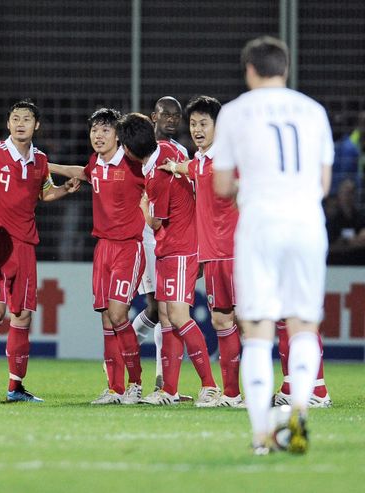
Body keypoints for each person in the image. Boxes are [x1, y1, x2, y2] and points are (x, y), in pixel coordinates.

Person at [213, 36, 334, 454]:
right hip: (306, 222)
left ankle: (263, 432)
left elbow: (223, 184)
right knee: (303, 324)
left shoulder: (234, 113)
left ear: (249, 70)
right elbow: (323, 184)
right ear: (285, 69)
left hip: (261, 224)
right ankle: (298, 411)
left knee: (259, 330)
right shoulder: (314, 111)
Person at [0, 99, 80, 403]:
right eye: (15, 118)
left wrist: (63, 191)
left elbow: (43, 193)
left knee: (23, 315)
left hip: (25, 245)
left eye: (27, 119)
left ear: (36, 125)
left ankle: (15, 387)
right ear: (8, 123)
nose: (20, 123)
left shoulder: (40, 161)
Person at [118, 112, 219, 407]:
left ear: (127, 149)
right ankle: (169, 389)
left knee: (177, 316)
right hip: (171, 248)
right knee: (165, 317)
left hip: (180, 247)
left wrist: (142, 204)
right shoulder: (170, 151)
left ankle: (210, 386)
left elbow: (156, 222)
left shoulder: (155, 178)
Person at [49, 108, 145, 404]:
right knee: (106, 319)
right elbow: (83, 172)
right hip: (102, 247)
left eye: (105, 130)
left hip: (129, 247)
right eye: (94, 130)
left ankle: (136, 384)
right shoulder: (95, 163)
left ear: (118, 135)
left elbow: (155, 182)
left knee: (118, 314)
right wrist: (47, 166)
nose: (98, 136)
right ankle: (114, 389)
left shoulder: (133, 163)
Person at [160, 96, 243, 407]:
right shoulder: (202, 160)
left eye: (203, 123)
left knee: (247, 321)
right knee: (222, 321)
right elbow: (189, 167)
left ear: (218, 127)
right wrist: (172, 166)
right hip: (211, 253)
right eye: (193, 123)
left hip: (235, 251)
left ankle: (290, 387)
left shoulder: (230, 160)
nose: (196, 129)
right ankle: (232, 394)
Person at [131, 96, 190, 393]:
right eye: (165, 114)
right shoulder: (135, 150)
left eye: (176, 115)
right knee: (156, 309)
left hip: (170, 233)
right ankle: (122, 353)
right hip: (146, 233)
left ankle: (161, 382)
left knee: (163, 310)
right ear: (153, 116)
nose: (171, 119)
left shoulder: (179, 152)